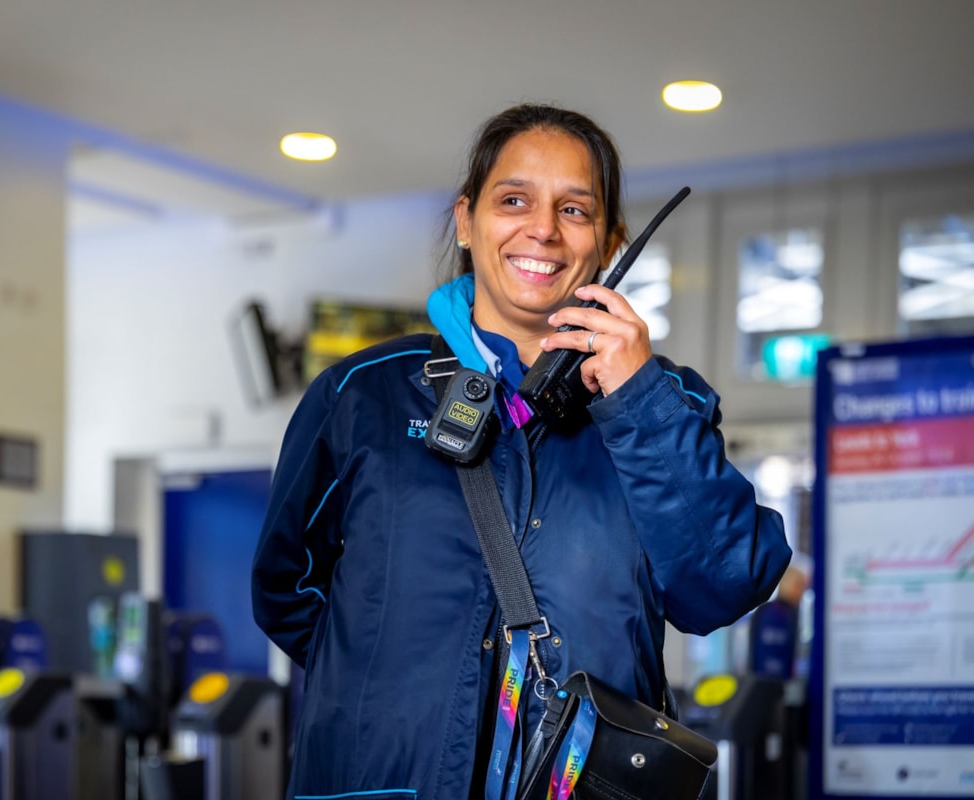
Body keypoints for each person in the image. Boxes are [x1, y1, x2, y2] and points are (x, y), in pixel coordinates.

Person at [251, 103, 791, 800]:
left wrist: (636, 400)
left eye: (575, 209)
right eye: (514, 200)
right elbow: (286, 590)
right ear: (467, 222)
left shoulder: (667, 406)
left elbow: (724, 585)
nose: (542, 229)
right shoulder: (362, 396)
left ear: (610, 244)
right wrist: (384, 692)